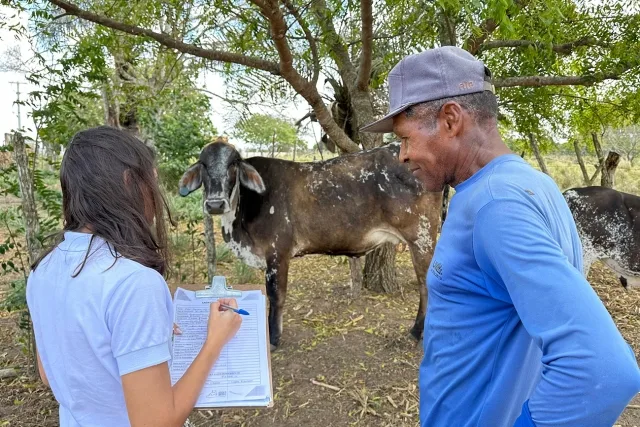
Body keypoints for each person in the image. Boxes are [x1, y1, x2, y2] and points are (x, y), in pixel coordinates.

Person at [362, 46, 640, 427]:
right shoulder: (533, 184)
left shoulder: (495, 206)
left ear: (450, 120)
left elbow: (603, 371)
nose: (401, 155)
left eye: (406, 138)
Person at [26, 126, 242, 427]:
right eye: (152, 182)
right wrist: (215, 341)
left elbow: (50, 373)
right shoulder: (133, 283)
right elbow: (157, 423)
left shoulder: (43, 270)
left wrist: (138, 333)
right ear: (130, 183)